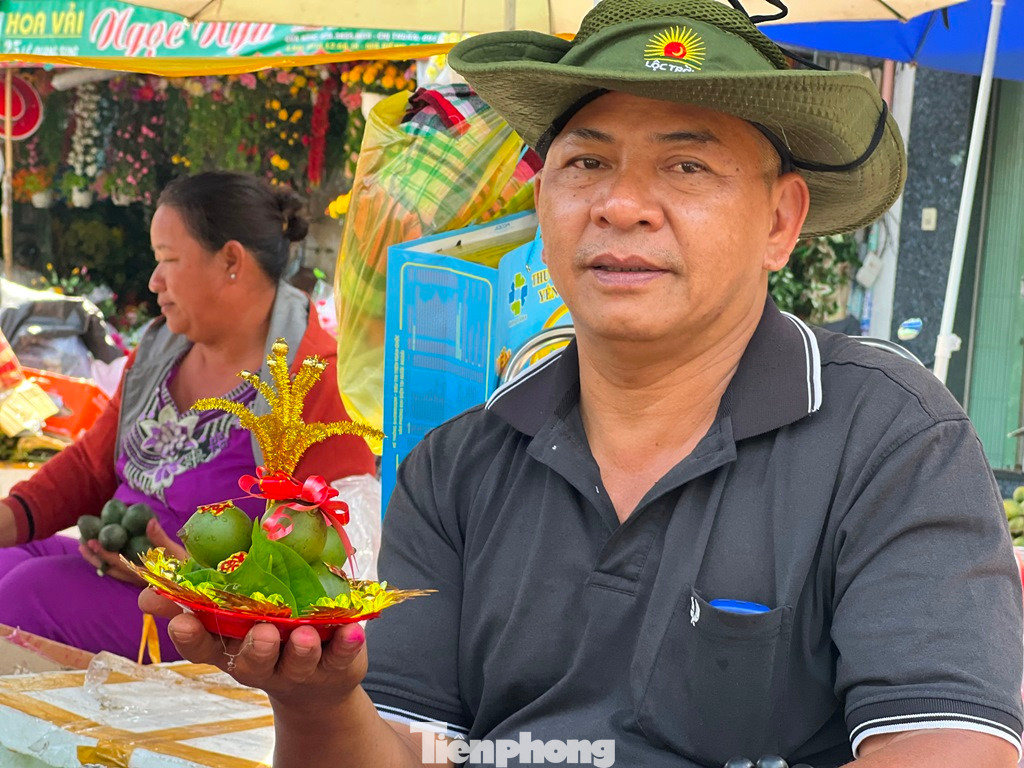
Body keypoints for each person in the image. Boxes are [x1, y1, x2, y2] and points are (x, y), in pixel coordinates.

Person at [144, 3, 1024, 767]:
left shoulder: (889, 437)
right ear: (543, 202)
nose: (621, 205)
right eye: (586, 162)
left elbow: (952, 746)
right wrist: (318, 701)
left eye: (687, 166)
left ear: (780, 220)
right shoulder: (458, 466)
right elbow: (411, 748)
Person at [0, 171, 375, 660]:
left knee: (26, 593)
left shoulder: (311, 380)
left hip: (209, 625)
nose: (154, 281)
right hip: (123, 578)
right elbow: (91, 467)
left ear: (231, 262)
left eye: (168, 260)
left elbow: (331, 570)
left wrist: (190, 577)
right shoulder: (160, 351)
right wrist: (10, 516)